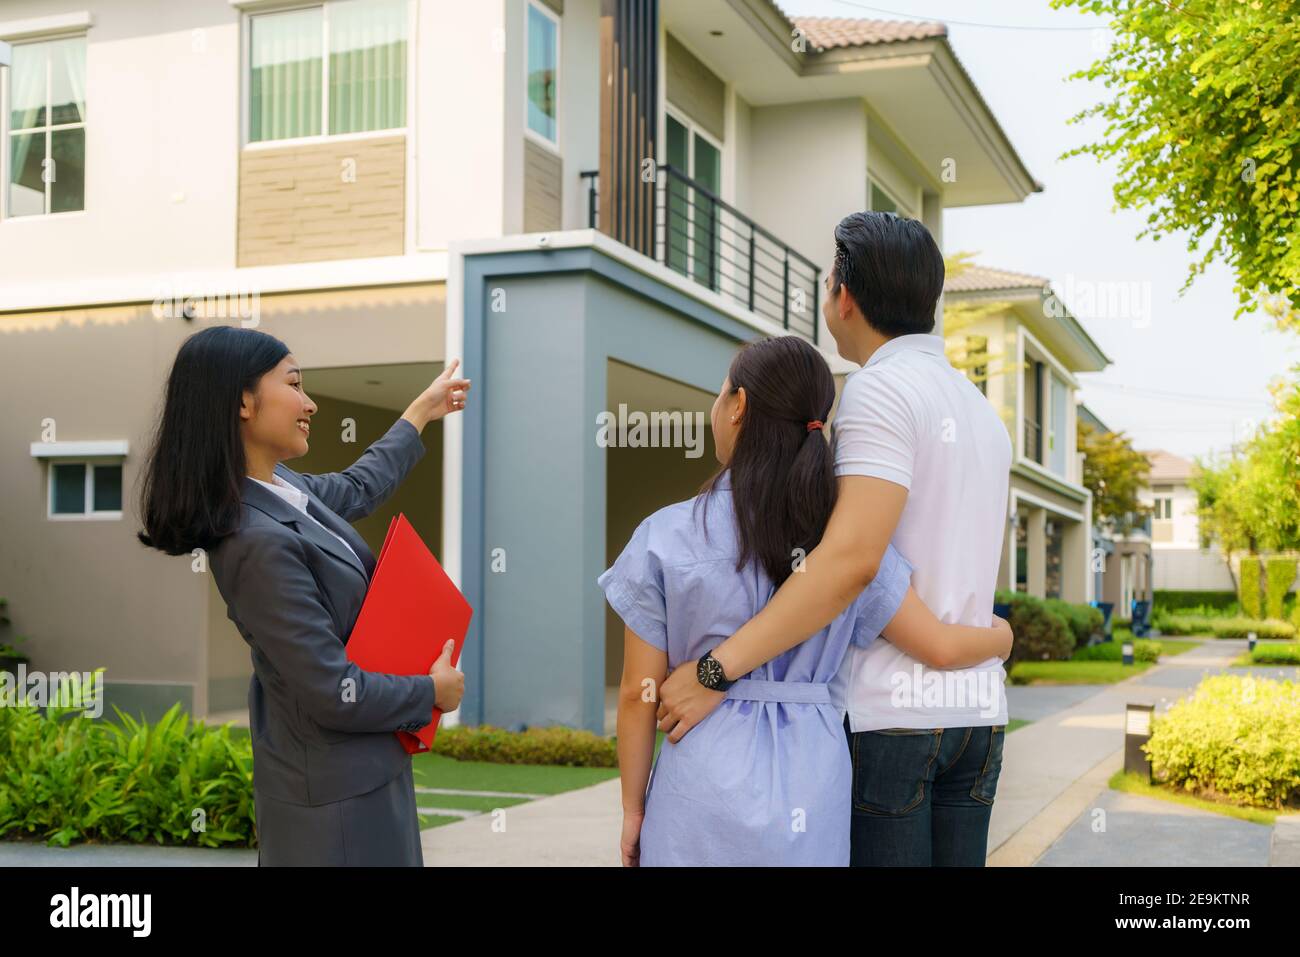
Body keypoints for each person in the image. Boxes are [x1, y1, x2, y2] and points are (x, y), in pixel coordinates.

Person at [655, 212, 1015, 866]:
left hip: (894, 723)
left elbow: (850, 561)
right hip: (978, 717)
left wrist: (714, 670)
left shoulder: (880, 389)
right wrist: (996, 639)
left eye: (827, 283)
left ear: (844, 297)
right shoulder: (980, 412)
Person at [137, 325, 471, 865]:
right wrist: (431, 692)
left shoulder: (285, 491)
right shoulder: (255, 541)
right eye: (294, 384)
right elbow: (329, 688)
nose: (309, 403)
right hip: (333, 804)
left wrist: (419, 415)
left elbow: (360, 486)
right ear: (243, 401)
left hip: (365, 773)